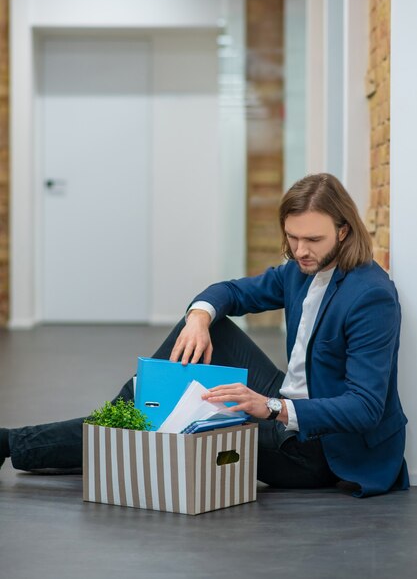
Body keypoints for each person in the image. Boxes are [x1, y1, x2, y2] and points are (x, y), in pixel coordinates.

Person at [0, 173, 409, 497]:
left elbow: (365, 407)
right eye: (292, 237)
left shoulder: (370, 296)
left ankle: (54, 435)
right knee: (204, 325)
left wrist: (270, 408)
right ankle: (129, 417)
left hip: (320, 450)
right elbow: (230, 292)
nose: (300, 250)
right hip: (288, 398)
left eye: (312, 240)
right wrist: (198, 316)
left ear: (343, 231)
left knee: (148, 418)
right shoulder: (300, 269)